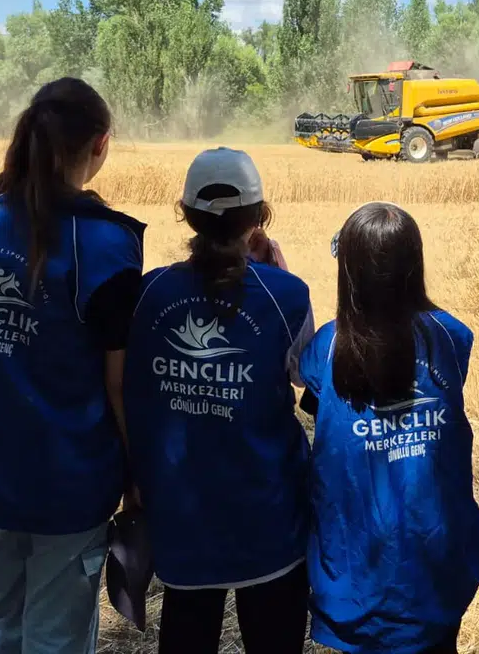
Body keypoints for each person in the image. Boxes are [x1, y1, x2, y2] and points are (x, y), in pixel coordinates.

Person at [0, 78, 144, 654]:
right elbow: (119, 384)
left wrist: (4, 364)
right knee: (56, 636)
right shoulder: (109, 245)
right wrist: (138, 479)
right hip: (70, 480)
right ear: (100, 144)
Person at [125, 147, 313, 654]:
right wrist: (278, 273)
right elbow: (304, 381)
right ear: (259, 218)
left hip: (182, 515)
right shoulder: (288, 295)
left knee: (186, 631)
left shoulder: (149, 293)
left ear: (185, 215)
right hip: (268, 515)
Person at [297, 202, 479, 654]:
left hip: (357, 565)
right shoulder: (448, 337)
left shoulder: (327, 348)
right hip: (433, 557)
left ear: (349, 273)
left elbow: (312, 401)